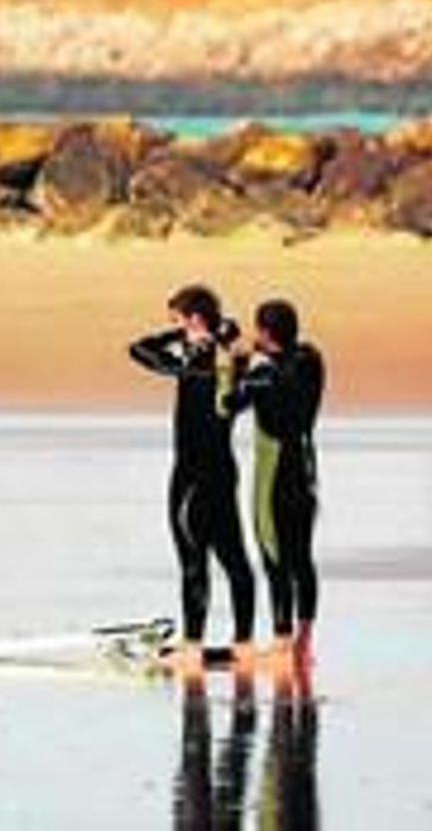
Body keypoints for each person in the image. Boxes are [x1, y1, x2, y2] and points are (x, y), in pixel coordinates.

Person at [129, 284, 256, 676]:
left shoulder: (195, 362)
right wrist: (217, 332)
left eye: (176, 321)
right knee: (234, 559)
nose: (174, 330)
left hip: (191, 475)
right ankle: (244, 643)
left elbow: (140, 349)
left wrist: (182, 343)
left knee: (192, 560)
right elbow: (241, 363)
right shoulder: (233, 358)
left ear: (194, 320)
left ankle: (193, 644)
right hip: (223, 471)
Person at [227, 299, 326, 671]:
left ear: (265, 333)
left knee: (274, 557)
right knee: (302, 558)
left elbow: (228, 404)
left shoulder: (263, 376)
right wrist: (261, 355)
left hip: (273, 477)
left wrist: (239, 364)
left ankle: (283, 644)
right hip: (304, 468)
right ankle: (303, 644)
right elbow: (290, 365)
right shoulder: (311, 359)